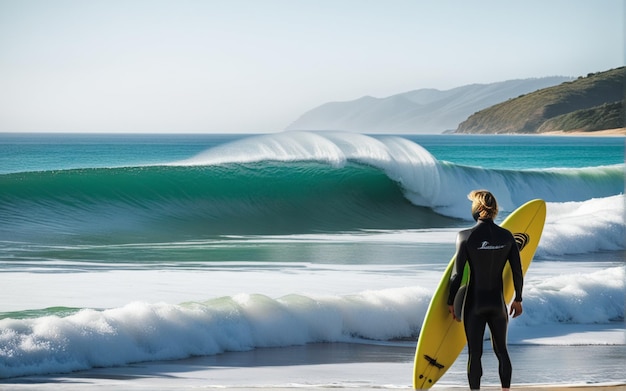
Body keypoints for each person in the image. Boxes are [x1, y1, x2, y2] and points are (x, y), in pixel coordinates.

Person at [447, 190, 523, 391]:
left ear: (476, 209)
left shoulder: (465, 236)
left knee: (475, 354)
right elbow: (517, 270)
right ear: (494, 209)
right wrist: (518, 299)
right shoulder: (507, 237)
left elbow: (456, 275)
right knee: (502, 352)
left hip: (475, 304)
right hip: (498, 304)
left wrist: (450, 303)